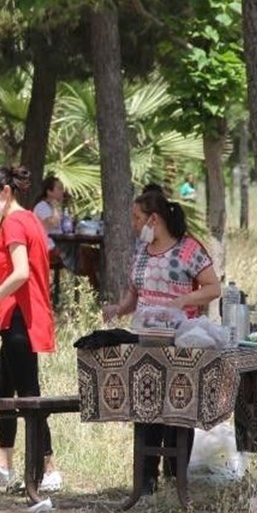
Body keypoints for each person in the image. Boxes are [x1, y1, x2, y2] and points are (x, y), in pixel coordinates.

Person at [102, 189, 221, 493]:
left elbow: (212, 288)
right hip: (144, 342)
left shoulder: (188, 249)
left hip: (179, 343)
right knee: (145, 405)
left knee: (178, 408)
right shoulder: (141, 251)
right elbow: (134, 295)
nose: (133, 222)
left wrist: (182, 301)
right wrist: (118, 309)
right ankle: (146, 479)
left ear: (153, 219)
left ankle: (175, 475)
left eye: (137, 217)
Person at [0, 165, 62, 493]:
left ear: (5, 191)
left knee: (29, 396)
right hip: (16, 317)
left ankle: (48, 469)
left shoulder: (14, 221)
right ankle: (4, 463)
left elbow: (21, 272)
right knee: (2, 390)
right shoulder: (27, 220)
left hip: (23, 318)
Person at [32, 176, 99, 290]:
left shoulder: (56, 207)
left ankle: (98, 287)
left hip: (63, 244)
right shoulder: (42, 206)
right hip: (49, 248)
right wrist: (56, 207)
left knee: (95, 253)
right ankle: (96, 290)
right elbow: (53, 223)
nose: (62, 191)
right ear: (49, 192)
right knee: (85, 255)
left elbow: (66, 226)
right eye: (59, 188)